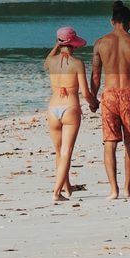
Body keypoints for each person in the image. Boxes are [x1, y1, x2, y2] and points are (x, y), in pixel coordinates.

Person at [90, 1, 130, 200]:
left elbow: (96, 75)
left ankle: (113, 190)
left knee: (109, 143)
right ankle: (128, 187)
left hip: (110, 96)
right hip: (129, 95)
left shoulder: (100, 43)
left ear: (112, 21)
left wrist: (92, 99)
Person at [44, 26, 99, 203]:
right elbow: (85, 92)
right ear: (73, 44)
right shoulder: (77, 64)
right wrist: (94, 104)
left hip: (52, 109)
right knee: (67, 151)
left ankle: (66, 187)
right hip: (70, 108)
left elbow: (46, 61)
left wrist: (58, 44)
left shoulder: (51, 61)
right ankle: (56, 192)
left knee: (59, 152)